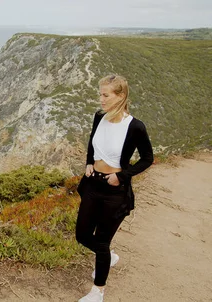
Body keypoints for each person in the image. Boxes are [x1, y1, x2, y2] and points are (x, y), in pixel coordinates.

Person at [75, 74, 154, 302]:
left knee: (101, 241)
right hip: (92, 184)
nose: (101, 99)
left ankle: (97, 291)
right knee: (81, 235)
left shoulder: (135, 126)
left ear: (120, 96)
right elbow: (92, 141)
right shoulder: (99, 117)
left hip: (114, 191)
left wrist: (122, 176)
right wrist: (89, 162)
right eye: (100, 94)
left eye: (105, 95)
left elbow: (147, 158)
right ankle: (107, 256)